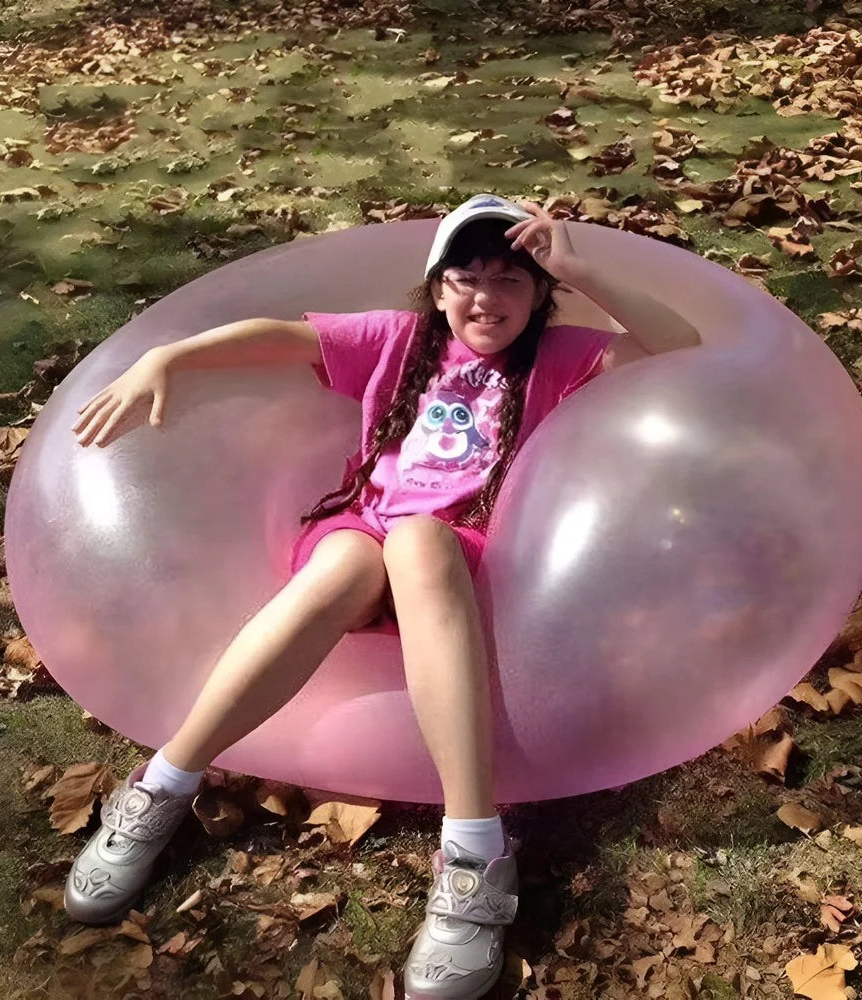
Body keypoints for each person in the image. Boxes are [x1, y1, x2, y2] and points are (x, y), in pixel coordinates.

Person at [65, 193, 701, 999]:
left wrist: (581, 269)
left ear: (542, 294)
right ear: (437, 288)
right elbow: (280, 338)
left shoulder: (561, 355)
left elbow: (679, 347)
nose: (486, 297)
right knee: (347, 562)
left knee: (419, 539)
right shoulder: (398, 340)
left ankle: (474, 852)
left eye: (510, 279)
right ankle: (162, 786)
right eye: (466, 277)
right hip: (362, 537)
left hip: (462, 559)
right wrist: (169, 358)